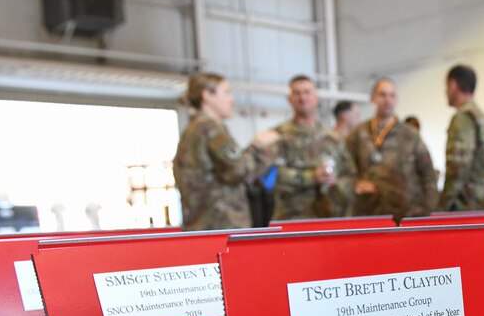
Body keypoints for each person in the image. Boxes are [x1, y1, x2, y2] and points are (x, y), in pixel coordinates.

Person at [173, 72, 278, 231]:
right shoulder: (210, 128)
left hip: (202, 226)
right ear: (208, 95)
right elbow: (239, 169)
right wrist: (258, 146)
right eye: (227, 92)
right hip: (221, 226)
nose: (232, 99)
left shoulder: (193, 129)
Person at [346, 77, 439, 220]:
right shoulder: (358, 134)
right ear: (373, 98)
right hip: (367, 214)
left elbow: (428, 175)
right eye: (382, 95)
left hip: (403, 214)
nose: (387, 100)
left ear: (396, 100)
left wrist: (426, 210)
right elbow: (344, 170)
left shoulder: (410, 135)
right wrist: (355, 184)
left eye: (392, 95)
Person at [271, 75, 355, 220]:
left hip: (329, 217)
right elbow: (271, 177)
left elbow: (351, 176)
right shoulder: (278, 136)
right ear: (289, 99)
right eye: (297, 93)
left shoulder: (332, 138)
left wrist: (335, 182)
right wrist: (311, 177)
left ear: (316, 97)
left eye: (307, 92)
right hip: (292, 218)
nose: (302, 98)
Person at [439, 64, 484, 211]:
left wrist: (443, 205)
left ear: (453, 85)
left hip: (469, 205)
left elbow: (458, 166)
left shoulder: (462, 118)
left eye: (446, 86)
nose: (445, 91)